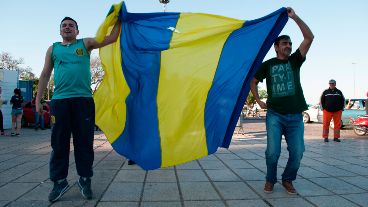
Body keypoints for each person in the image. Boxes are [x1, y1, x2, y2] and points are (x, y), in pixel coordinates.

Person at [36, 17, 121, 202]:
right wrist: (38, 99)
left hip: (83, 101)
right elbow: (44, 74)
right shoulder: (53, 49)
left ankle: (85, 179)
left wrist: (120, 18)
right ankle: (59, 182)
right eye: (64, 26)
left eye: (71, 26)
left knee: (84, 143)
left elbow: (112, 38)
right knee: (59, 143)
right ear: (60, 31)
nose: (67, 27)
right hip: (59, 102)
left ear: (77, 31)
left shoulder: (86, 43)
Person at [250, 7, 314, 195]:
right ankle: (270, 180)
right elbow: (253, 81)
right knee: (272, 152)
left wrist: (294, 17)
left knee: (298, 152)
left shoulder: (294, 61)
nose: (288, 46)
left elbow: (309, 38)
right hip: (275, 115)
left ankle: (287, 179)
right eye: (284, 43)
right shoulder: (268, 65)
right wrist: (259, 101)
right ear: (276, 47)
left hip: (295, 116)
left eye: (290, 43)